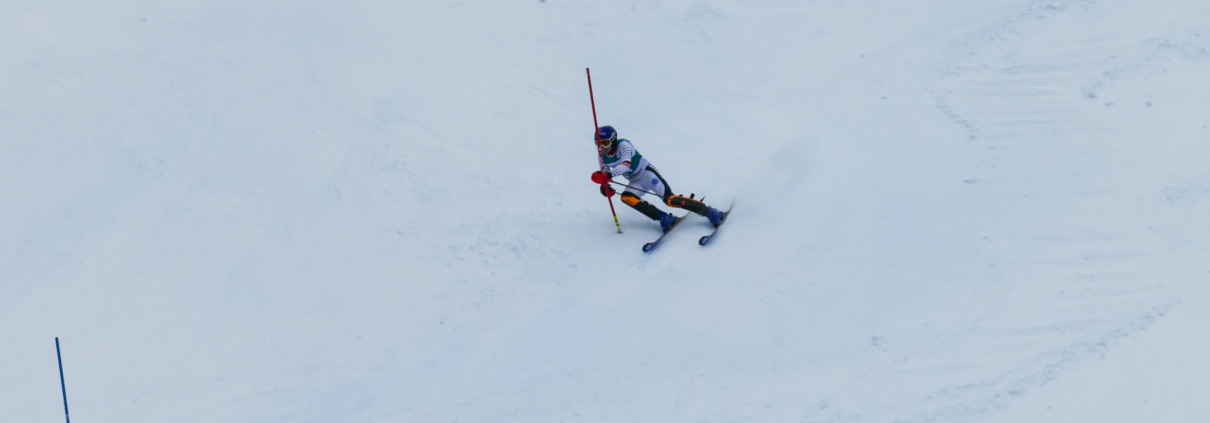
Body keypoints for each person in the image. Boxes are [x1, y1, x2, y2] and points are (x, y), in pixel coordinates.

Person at [590, 125, 724, 232]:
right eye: (598, 144)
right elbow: (605, 175)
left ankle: (710, 212)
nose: (601, 148)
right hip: (635, 181)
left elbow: (626, 164)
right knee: (626, 197)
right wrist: (605, 187)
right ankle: (664, 218)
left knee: (670, 200)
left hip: (647, 173)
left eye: (605, 143)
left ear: (613, 140)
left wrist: (608, 176)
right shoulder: (601, 157)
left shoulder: (624, 145)